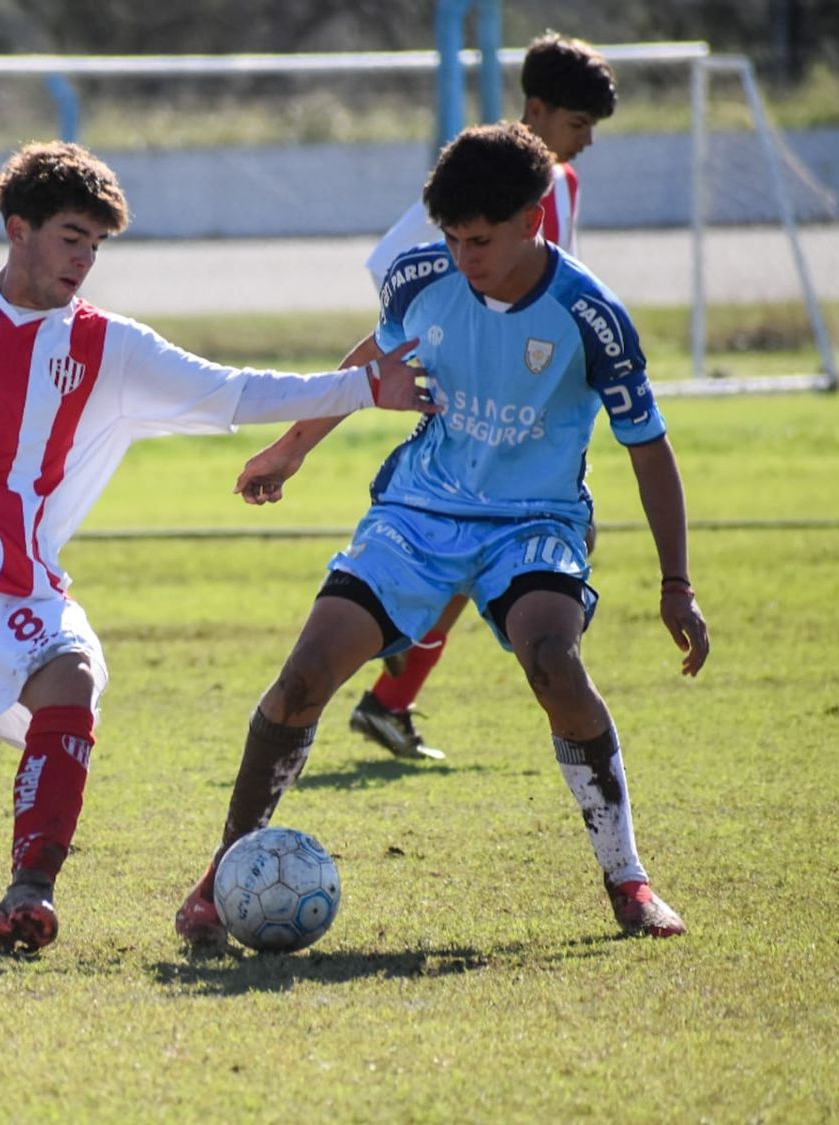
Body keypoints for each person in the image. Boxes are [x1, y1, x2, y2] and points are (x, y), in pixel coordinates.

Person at [0, 141, 439, 956]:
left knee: (75, 674)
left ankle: (30, 893)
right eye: (70, 237)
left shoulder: (108, 345)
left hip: (21, 580)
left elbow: (231, 391)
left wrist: (361, 388)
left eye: (97, 244)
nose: (85, 259)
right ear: (17, 229)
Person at [175, 122, 710, 946]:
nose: (466, 257)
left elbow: (650, 447)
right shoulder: (421, 280)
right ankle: (221, 874)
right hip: (420, 513)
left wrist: (678, 584)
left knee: (553, 662)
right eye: (454, 239)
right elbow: (374, 358)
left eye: (483, 240)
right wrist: (291, 447)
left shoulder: (592, 315)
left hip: (535, 523)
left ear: (534, 218)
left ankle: (629, 881)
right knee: (303, 677)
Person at [353, 32, 619, 761]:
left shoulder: (559, 185)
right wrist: (444, 340)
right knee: (476, 545)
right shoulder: (475, 181)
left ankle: (392, 692)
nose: (585, 143)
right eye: (576, 126)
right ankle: (391, 682)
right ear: (535, 109)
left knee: (493, 553)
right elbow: (393, 268)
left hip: (532, 417)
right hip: (465, 413)